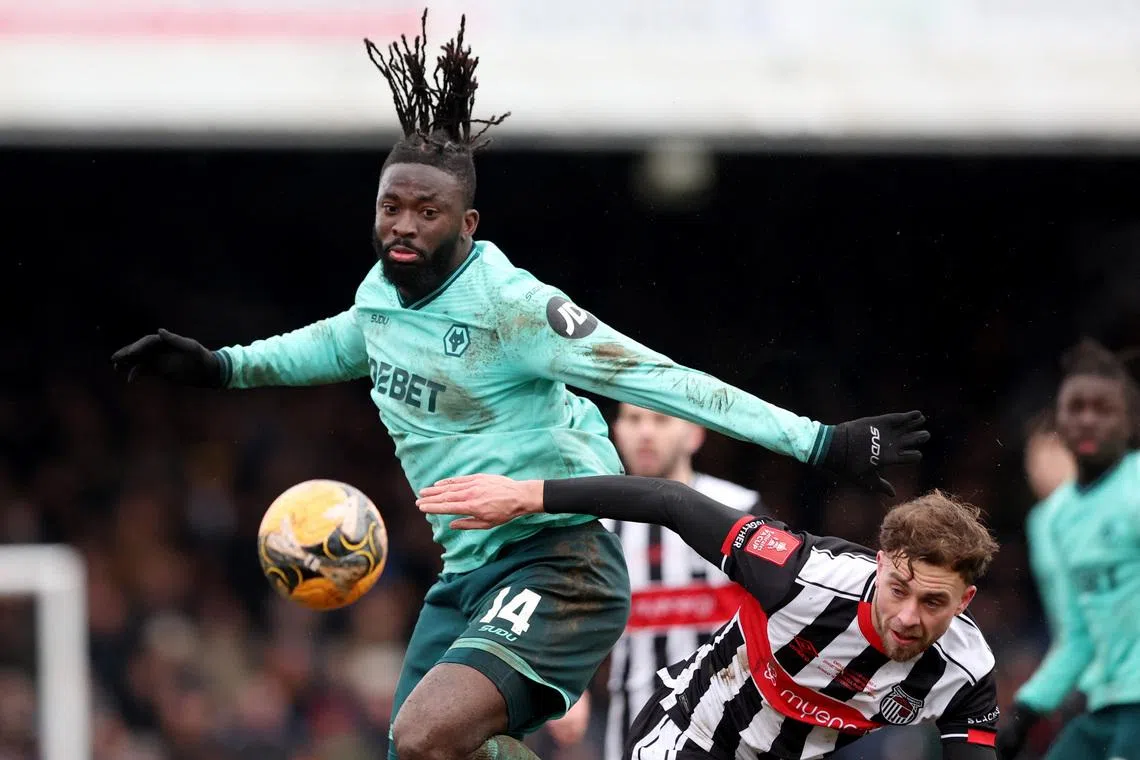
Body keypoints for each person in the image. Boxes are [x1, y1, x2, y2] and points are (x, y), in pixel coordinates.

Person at [110, 11, 929, 760]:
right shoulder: (381, 295)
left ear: (467, 226)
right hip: (465, 576)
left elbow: (661, 379)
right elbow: (337, 342)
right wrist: (220, 366)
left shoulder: (517, 310)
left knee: (430, 734)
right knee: (418, 752)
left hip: (558, 562)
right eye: (391, 207)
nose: (402, 225)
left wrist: (817, 440)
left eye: (425, 212)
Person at [417, 473, 1002, 760]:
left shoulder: (967, 674)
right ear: (880, 565)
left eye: (933, 603)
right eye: (898, 588)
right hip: (686, 734)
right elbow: (672, 502)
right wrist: (528, 495)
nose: (906, 617)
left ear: (965, 602)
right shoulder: (797, 572)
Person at [547, 404, 763, 759]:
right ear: (616, 430)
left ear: (694, 434)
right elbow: (568, 615)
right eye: (633, 419)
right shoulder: (598, 523)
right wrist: (567, 692)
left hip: (731, 731)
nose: (645, 432)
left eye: (661, 419)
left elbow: (780, 610)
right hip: (633, 730)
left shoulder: (739, 508)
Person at [997, 339, 1140, 760]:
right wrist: (1026, 710)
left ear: (1130, 422)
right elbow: (1075, 635)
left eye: (1103, 409)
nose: (1087, 419)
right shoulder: (1051, 520)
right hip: (1105, 704)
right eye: (1075, 408)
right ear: (1060, 421)